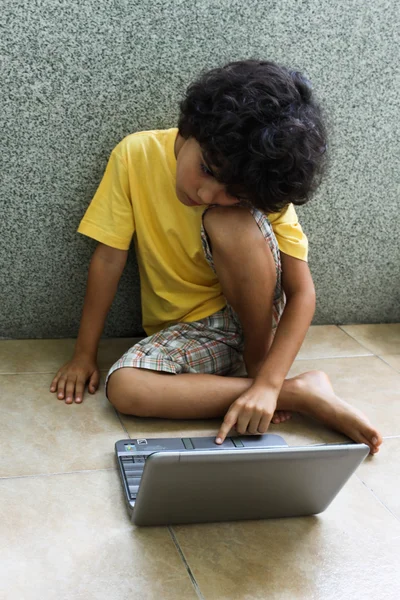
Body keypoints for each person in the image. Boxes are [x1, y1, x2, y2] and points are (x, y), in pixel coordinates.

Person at [50, 59, 382, 454]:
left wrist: (268, 378)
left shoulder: (258, 183)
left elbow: (302, 292)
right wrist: (84, 354)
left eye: (234, 192)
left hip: (251, 318)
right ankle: (301, 392)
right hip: (192, 333)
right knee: (124, 387)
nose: (207, 194)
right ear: (191, 128)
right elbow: (108, 259)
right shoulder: (135, 154)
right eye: (207, 169)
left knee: (229, 222)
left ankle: (259, 366)